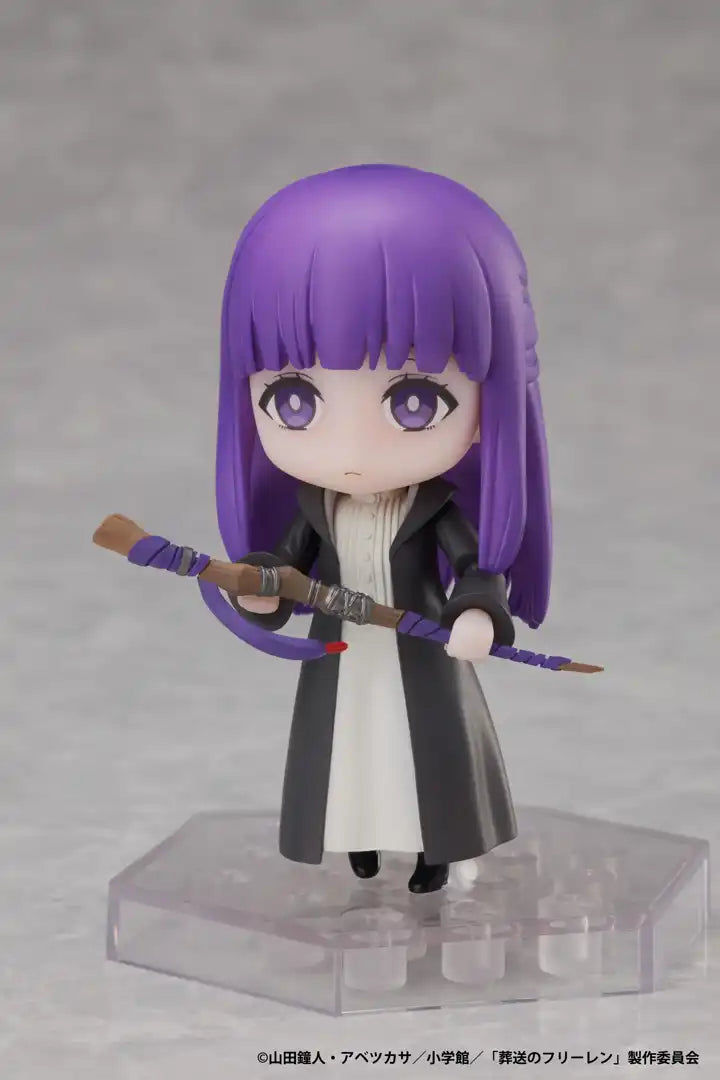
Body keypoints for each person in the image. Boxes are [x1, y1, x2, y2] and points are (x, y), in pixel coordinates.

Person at [202, 164, 552, 893]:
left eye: (415, 402)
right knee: (347, 748)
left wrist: (477, 612)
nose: (352, 451)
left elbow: (475, 566)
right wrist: (259, 590)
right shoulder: (314, 509)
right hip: (340, 653)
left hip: (418, 652)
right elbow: (284, 567)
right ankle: (357, 842)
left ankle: (434, 852)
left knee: (424, 752)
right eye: (294, 401)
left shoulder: (436, 509)